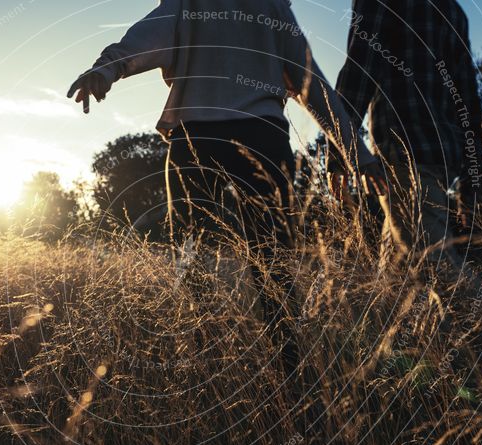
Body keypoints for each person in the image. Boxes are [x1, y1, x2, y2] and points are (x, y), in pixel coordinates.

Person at [68, 0, 381, 380]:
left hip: (196, 137)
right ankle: (288, 373)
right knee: (271, 262)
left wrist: (106, 68)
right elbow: (309, 83)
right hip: (261, 137)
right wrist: (357, 154)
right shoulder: (271, 6)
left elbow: (146, 37)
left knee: (193, 255)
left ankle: (208, 368)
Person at [330, 0, 482, 269]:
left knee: (439, 271)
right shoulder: (454, 10)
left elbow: (361, 66)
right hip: (443, 156)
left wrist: (339, 148)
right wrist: (472, 180)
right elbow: (468, 99)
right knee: (395, 283)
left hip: (403, 152)